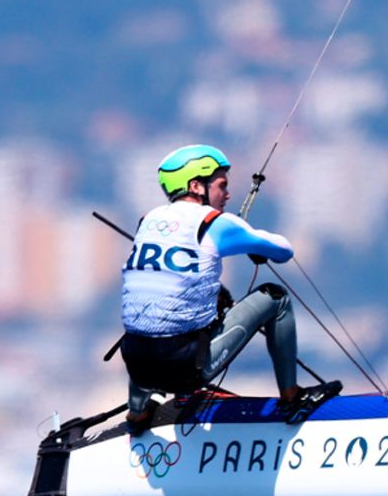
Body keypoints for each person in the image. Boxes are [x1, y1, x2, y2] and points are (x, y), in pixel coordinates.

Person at [120, 144, 304, 433]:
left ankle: (138, 413)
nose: (228, 194)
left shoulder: (148, 221)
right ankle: (292, 399)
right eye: (222, 185)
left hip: (137, 366)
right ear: (197, 186)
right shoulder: (213, 222)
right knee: (276, 297)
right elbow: (284, 250)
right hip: (187, 370)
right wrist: (255, 245)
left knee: (150, 314)